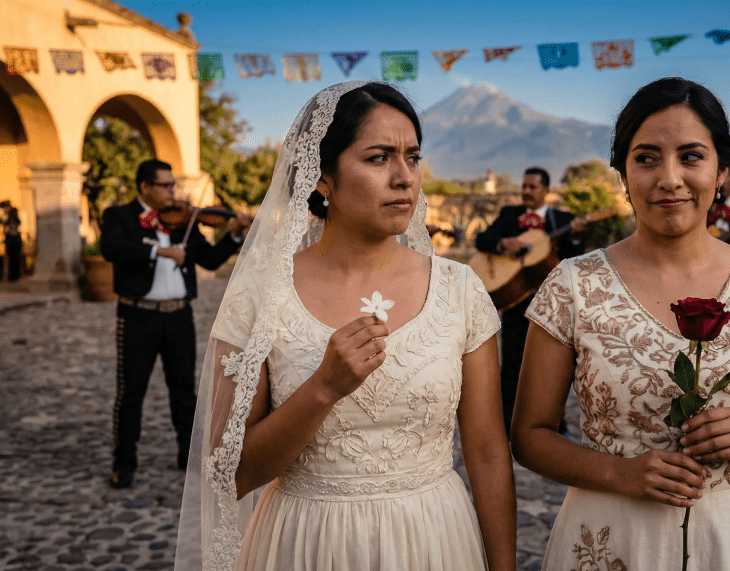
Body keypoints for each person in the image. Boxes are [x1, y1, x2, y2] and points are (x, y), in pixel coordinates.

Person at [174, 81, 516, 571]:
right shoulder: (259, 297)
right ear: (322, 177)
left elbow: (485, 453)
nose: (405, 178)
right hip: (306, 544)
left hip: (434, 539)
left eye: (413, 157)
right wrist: (322, 388)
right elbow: (232, 474)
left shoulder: (460, 290)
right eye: (379, 158)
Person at [511, 77, 730, 570]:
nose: (670, 178)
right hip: (610, 535)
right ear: (623, 175)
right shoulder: (572, 283)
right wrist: (620, 475)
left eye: (692, 156)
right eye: (647, 157)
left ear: (723, 171)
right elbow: (529, 435)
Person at [100, 159, 252, 489]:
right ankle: (124, 463)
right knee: (131, 392)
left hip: (179, 316)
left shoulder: (183, 221)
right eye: (166, 186)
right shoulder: (120, 217)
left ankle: (188, 456)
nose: (173, 192)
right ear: (145, 187)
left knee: (183, 389)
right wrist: (159, 253)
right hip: (138, 315)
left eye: (173, 185)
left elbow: (209, 259)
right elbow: (111, 248)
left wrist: (234, 235)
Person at [475, 167, 586, 435]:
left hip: (554, 307)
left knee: (553, 369)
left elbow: (574, 256)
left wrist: (573, 235)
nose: (526, 191)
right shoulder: (509, 215)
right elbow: (482, 239)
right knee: (511, 365)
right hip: (517, 303)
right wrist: (504, 244)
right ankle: (504, 426)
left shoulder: (563, 218)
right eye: (524, 186)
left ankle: (554, 428)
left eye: (532, 187)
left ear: (546, 190)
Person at [0, 200, 22, 281]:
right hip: (9, 238)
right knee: (10, 257)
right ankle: (12, 276)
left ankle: (15, 276)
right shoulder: (6, 214)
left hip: (14, 237)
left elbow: (17, 223)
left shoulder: (14, 213)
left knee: (15, 257)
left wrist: (8, 226)